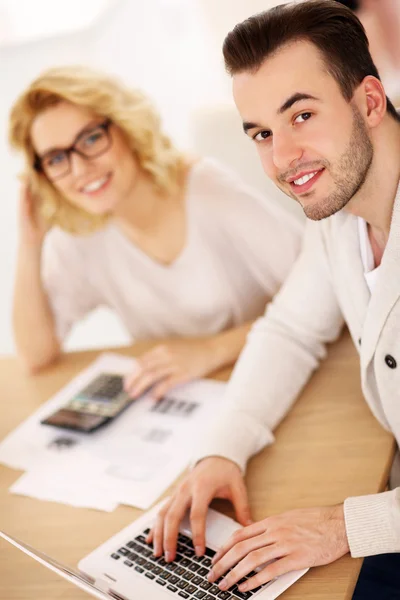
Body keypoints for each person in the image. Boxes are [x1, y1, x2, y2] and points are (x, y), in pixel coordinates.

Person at [148, 1, 400, 597]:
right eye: (262, 132)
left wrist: (344, 526)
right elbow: (291, 329)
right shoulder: (339, 214)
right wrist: (221, 450)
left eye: (302, 115)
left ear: (368, 101)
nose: (283, 158)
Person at [9, 66, 302, 396]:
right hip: (190, 397)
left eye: (91, 138)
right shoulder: (83, 233)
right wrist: (29, 244)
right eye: (56, 159)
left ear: (127, 128)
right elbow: (35, 356)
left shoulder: (206, 190)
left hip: (276, 375)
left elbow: (324, 286)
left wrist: (212, 350)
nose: (79, 169)